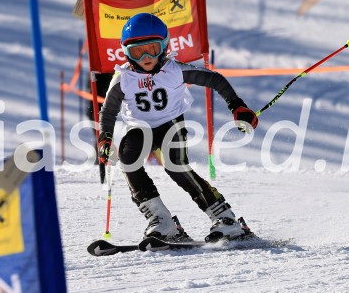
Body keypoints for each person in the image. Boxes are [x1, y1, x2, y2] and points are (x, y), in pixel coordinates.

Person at [97, 13, 258, 242]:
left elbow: (215, 79)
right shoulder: (123, 78)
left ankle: (225, 217)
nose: (145, 57)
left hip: (170, 123)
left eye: (151, 49)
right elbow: (109, 110)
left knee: (175, 166)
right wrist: (105, 138)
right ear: (126, 52)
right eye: (136, 51)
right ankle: (161, 220)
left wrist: (237, 106)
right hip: (139, 128)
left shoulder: (175, 70)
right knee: (128, 158)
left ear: (163, 46)